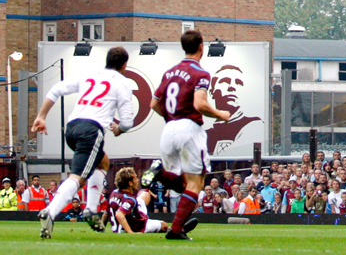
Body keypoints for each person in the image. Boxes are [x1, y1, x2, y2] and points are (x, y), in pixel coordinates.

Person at [31, 46, 135, 238]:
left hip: (72, 128)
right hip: (91, 132)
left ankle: (91, 210)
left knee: (102, 162)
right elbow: (128, 122)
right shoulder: (122, 83)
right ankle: (50, 213)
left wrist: (41, 116)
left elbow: (56, 89)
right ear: (124, 65)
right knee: (77, 178)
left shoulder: (92, 75)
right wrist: (119, 129)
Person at [143, 30, 231, 240]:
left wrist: (172, 118)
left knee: (184, 185)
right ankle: (175, 230)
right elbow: (199, 104)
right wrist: (221, 114)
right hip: (189, 128)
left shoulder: (170, 72)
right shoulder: (200, 73)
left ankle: (160, 173)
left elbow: (154, 103)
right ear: (202, 46)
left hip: (169, 127)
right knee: (196, 184)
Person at [110, 167, 184, 235]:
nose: (138, 180)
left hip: (131, 217)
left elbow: (107, 213)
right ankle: (174, 231)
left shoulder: (114, 193)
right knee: (163, 225)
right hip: (140, 225)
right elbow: (119, 214)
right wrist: (130, 232)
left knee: (145, 194)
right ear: (130, 183)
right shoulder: (130, 200)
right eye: (135, 178)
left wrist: (102, 226)